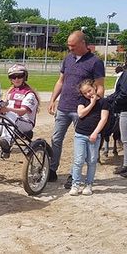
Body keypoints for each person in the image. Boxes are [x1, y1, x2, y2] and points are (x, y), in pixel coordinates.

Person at [47, 31, 105, 188]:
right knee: (56, 139)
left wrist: (94, 106)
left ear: (82, 43)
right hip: (63, 107)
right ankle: (52, 169)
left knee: (78, 143)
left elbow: (100, 87)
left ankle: (74, 175)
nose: (70, 48)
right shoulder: (68, 59)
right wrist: (53, 99)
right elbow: (60, 81)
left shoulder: (95, 62)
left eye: (72, 46)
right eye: (68, 46)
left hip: (81, 110)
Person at [69, 79, 109, 196]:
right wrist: (91, 103)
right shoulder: (82, 100)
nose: (88, 94)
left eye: (90, 91)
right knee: (78, 160)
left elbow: (104, 119)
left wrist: (95, 133)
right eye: (85, 93)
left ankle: (89, 184)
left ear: (94, 87)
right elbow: (81, 113)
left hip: (94, 135)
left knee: (92, 160)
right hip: (80, 134)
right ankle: (75, 184)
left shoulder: (103, 102)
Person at [113, 70, 127, 177]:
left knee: (125, 140)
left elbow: (124, 93)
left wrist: (114, 102)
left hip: (125, 109)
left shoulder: (125, 74)